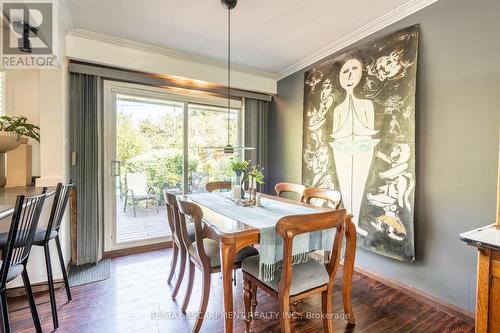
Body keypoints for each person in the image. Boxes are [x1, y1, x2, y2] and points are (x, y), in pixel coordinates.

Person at [330, 58, 379, 236]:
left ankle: (354, 221)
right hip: (341, 147)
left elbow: (369, 130)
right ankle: (346, 220)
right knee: (344, 183)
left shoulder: (367, 104)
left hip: (363, 146)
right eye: (345, 71)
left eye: (354, 70)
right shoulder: (338, 110)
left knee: (359, 183)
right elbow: (336, 132)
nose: (349, 75)